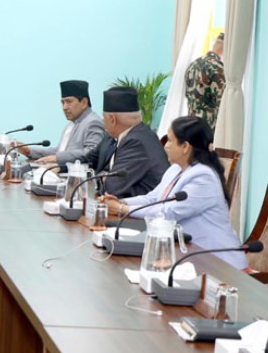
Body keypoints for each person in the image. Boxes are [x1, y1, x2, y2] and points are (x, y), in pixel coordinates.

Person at [103, 116, 247, 270]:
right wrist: (122, 202)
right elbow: (153, 198)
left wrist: (122, 209)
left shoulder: (203, 178)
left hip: (218, 263)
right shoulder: (175, 169)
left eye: (170, 141)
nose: (166, 146)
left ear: (185, 147)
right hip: (187, 255)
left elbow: (168, 213)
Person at [72, 86, 169, 199]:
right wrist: (104, 178)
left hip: (143, 208)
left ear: (112, 119)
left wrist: (104, 179)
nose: (102, 120)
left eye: (103, 117)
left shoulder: (135, 142)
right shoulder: (140, 134)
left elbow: (112, 189)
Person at [17, 80, 105, 165]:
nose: (64, 107)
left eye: (69, 102)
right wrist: (29, 151)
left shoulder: (93, 122)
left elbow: (91, 152)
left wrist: (57, 158)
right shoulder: (72, 124)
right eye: (63, 102)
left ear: (84, 103)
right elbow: (60, 151)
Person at [184, 32, 226, 129]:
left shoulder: (193, 64)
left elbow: (188, 94)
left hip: (191, 123)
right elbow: (221, 103)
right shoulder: (218, 68)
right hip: (208, 126)